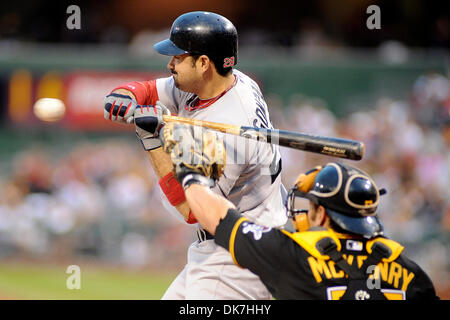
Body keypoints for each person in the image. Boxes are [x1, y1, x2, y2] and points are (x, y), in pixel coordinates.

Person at [103, 11, 286, 299]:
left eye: (178, 57)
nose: (170, 63)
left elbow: (192, 210)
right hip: (232, 243)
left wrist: (153, 142)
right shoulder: (225, 80)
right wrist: (129, 93)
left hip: (238, 257)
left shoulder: (230, 128)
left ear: (203, 63)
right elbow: (149, 90)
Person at [155, 122, 439, 300]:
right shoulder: (411, 273)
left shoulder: (294, 256)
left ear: (323, 214)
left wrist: (191, 174)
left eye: (313, 205)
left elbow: (218, 218)